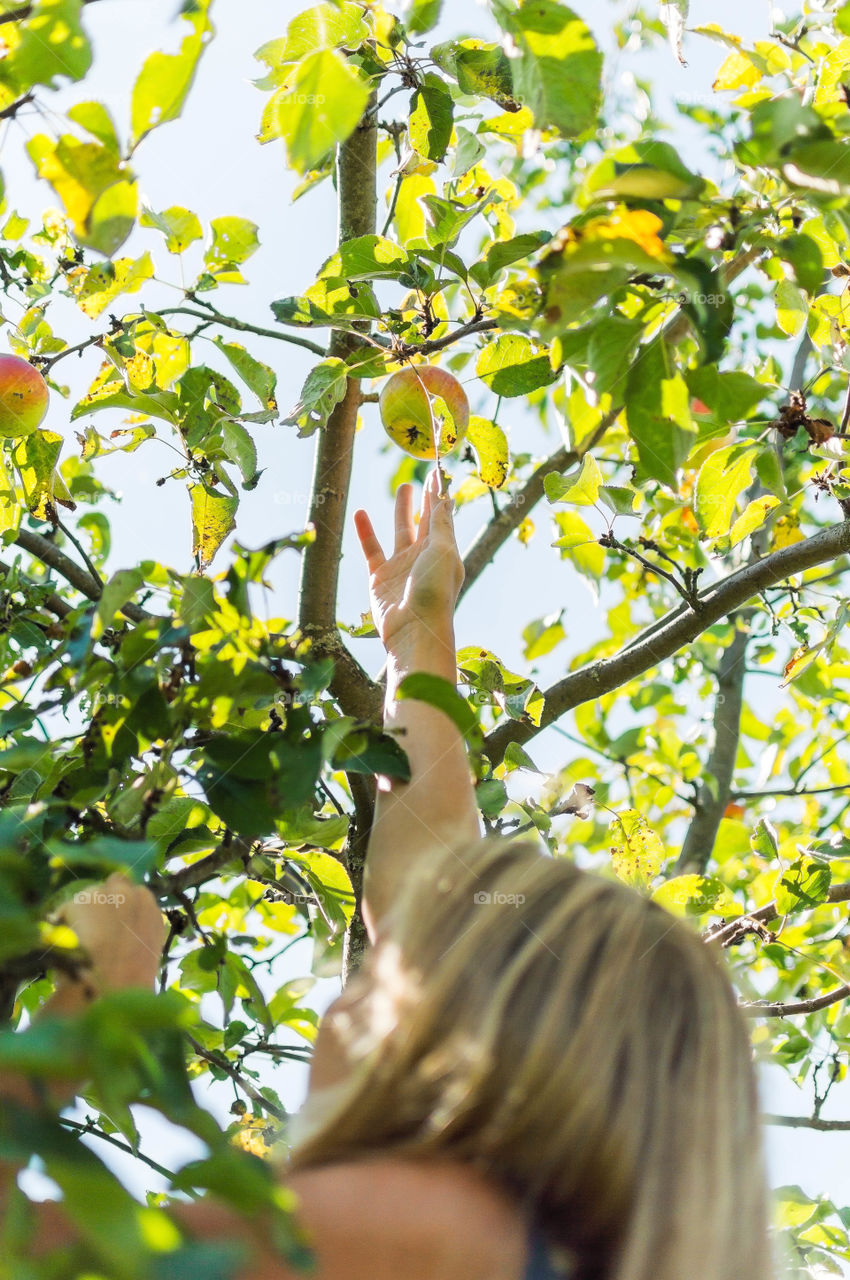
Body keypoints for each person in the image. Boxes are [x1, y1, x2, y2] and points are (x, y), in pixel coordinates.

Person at [0, 469, 773, 1280]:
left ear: (474, 1024)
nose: (391, 938)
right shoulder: (516, 1245)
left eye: (420, 949)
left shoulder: (406, 1224)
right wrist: (418, 636)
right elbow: (425, 847)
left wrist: (88, 1005)